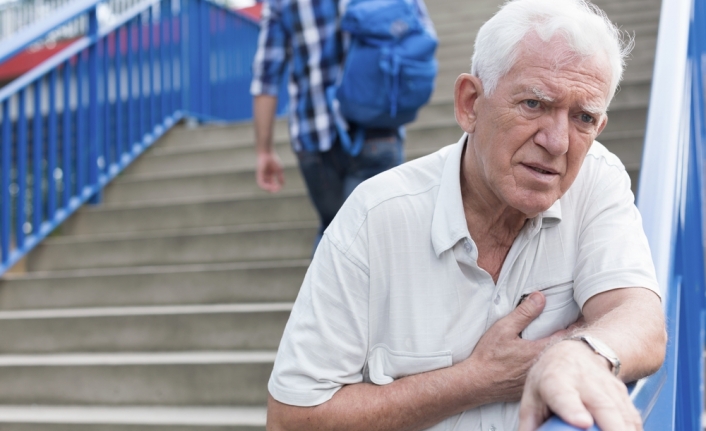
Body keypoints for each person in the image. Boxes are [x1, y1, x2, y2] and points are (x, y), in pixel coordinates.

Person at [266, 0, 667, 430]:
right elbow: (292, 419)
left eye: (583, 117)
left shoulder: (596, 177)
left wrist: (580, 354)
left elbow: (642, 320)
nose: (557, 142)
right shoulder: (375, 217)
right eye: (534, 104)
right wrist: (478, 379)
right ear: (470, 103)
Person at [250, 0, 434, 251]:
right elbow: (423, 37)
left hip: (313, 135)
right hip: (376, 126)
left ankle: (321, 286)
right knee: (376, 241)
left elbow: (266, 77)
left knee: (333, 234)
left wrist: (264, 150)